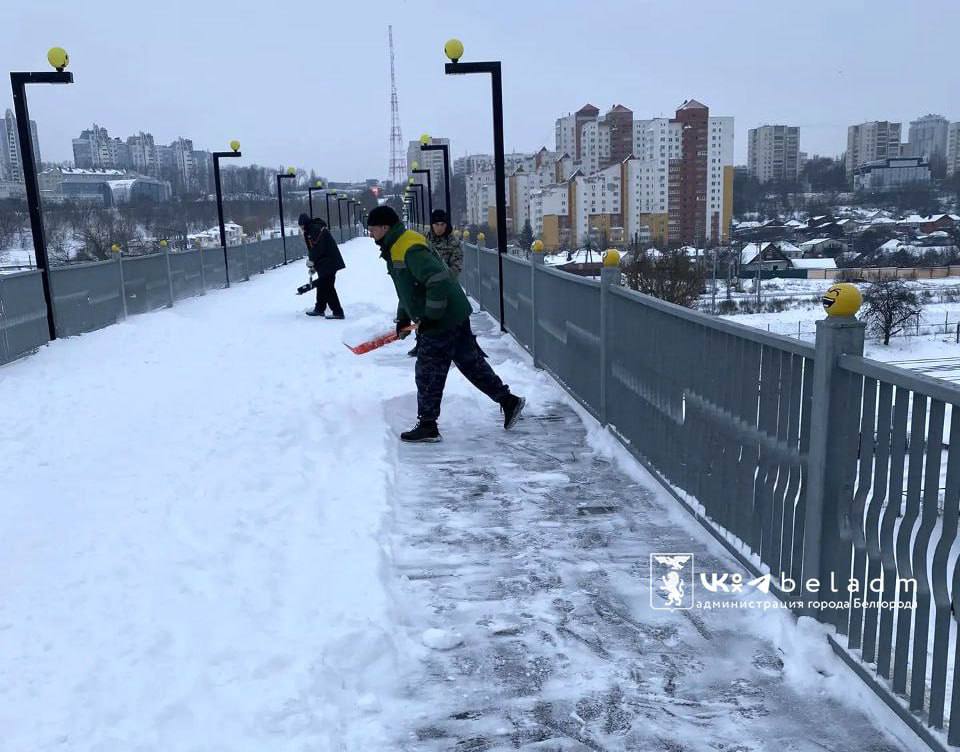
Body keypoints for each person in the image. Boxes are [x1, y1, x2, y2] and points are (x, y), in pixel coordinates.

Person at [366, 205, 525, 443]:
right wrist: (403, 317)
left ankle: (428, 425)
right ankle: (508, 400)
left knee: (428, 371)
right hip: (453, 311)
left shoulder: (407, 247)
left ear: (384, 227)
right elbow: (407, 288)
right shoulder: (399, 243)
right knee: (470, 364)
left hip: (442, 317)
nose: (370, 234)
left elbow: (437, 280)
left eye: (372, 229)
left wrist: (430, 316)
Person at [408, 208, 464, 357]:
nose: (440, 227)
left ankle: (455, 345)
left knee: (448, 318)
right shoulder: (425, 240)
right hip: (427, 285)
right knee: (424, 316)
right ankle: (421, 342)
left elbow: (457, 265)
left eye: (442, 224)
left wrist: (446, 281)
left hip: (447, 286)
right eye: (436, 224)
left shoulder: (453, 242)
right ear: (432, 225)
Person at [299, 213, 346, 319]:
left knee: (328, 287)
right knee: (323, 285)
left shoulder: (314, 229)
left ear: (305, 223)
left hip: (329, 262)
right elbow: (316, 248)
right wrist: (314, 266)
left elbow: (318, 248)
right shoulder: (313, 228)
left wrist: (311, 261)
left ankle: (338, 312)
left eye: (302, 225)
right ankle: (319, 309)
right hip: (326, 262)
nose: (301, 228)